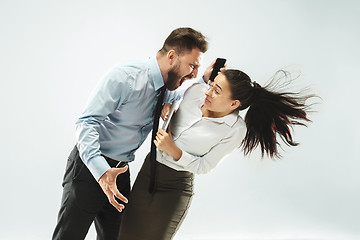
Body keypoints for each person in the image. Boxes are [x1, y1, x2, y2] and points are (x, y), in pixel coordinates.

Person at [117, 68, 316, 239]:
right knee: (124, 235)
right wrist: (167, 105)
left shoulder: (235, 130)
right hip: (148, 171)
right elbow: (168, 95)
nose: (208, 92)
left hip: (174, 188)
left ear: (233, 104)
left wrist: (174, 150)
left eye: (217, 91)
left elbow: (204, 166)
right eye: (212, 85)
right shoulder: (196, 91)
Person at [52, 27, 209, 240]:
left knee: (119, 237)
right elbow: (87, 122)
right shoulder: (125, 77)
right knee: (69, 236)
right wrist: (101, 172)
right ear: (172, 56)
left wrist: (204, 80)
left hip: (121, 172)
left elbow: (180, 93)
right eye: (192, 65)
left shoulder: (168, 84)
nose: (194, 73)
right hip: (90, 168)